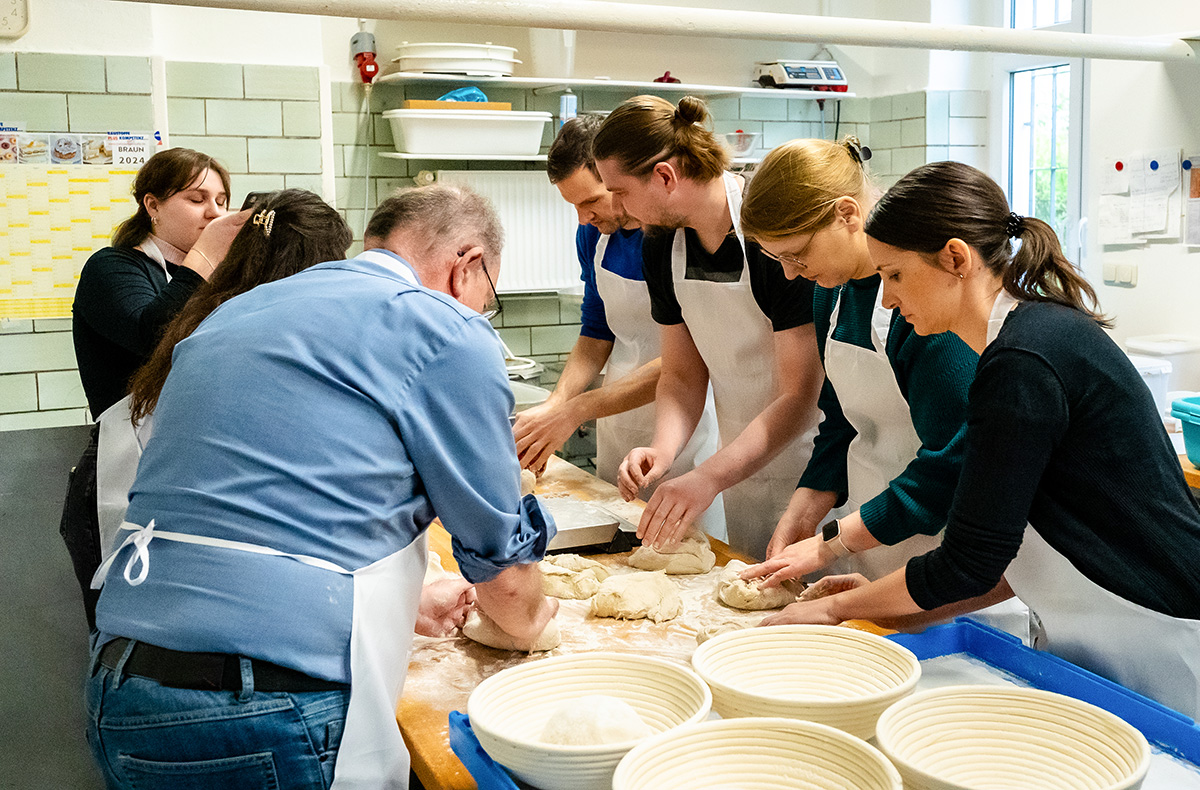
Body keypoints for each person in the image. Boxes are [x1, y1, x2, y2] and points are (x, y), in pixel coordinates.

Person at [86, 184, 557, 788]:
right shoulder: (443, 327)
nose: (478, 310)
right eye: (486, 296)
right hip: (257, 709)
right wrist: (535, 620)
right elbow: (501, 568)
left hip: (121, 682)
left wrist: (402, 602)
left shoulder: (240, 311)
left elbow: (266, 502)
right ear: (468, 266)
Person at [762, 161, 1200, 718]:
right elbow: (1002, 559)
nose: (889, 300)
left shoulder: (1023, 361)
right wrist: (895, 609)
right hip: (1089, 625)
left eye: (894, 275)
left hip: (1153, 634)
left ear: (955, 259)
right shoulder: (1023, 341)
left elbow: (967, 561)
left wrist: (839, 610)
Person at [592, 95, 824, 560]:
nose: (616, 206)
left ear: (664, 176)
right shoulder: (661, 245)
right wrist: (662, 449)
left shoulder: (768, 239)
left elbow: (800, 394)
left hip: (812, 464)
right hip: (738, 462)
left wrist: (711, 476)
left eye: (619, 190)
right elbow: (682, 374)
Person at [734, 138, 972, 582]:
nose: (789, 273)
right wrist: (805, 508)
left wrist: (833, 543)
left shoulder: (922, 306)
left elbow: (952, 465)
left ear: (847, 214)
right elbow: (842, 421)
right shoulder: (831, 293)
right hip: (871, 541)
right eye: (778, 259)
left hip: (942, 555)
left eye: (796, 254)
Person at [514, 116, 724, 537]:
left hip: (685, 424)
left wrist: (579, 408)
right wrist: (558, 404)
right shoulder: (594, 236)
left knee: (690, 549)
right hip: (617, 422)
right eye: (573, 206)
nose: (582, 217)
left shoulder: (669, 238)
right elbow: (596, 332)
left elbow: (687, 361)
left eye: (591, 200)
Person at [61, 147, 236, 629]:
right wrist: (204, 258)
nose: (214, 212)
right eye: (198, 198)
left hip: (192, 470)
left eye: (222, 200)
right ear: (152, 205)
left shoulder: (211, 284)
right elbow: (153, 333)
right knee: (125, 627)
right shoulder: (112, 268)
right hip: (123, 473)